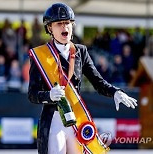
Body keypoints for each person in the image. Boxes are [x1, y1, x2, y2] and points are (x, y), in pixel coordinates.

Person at [28, 3, 137, 154]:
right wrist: (49, 95)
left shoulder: (81, 51)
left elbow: (98, 81)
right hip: (53, 121)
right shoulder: (39, 55)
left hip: (76, 119)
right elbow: (32, 94)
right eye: (59, 23)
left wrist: (115, 92)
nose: (64, 27)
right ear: (50, 29)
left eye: (68, 23)